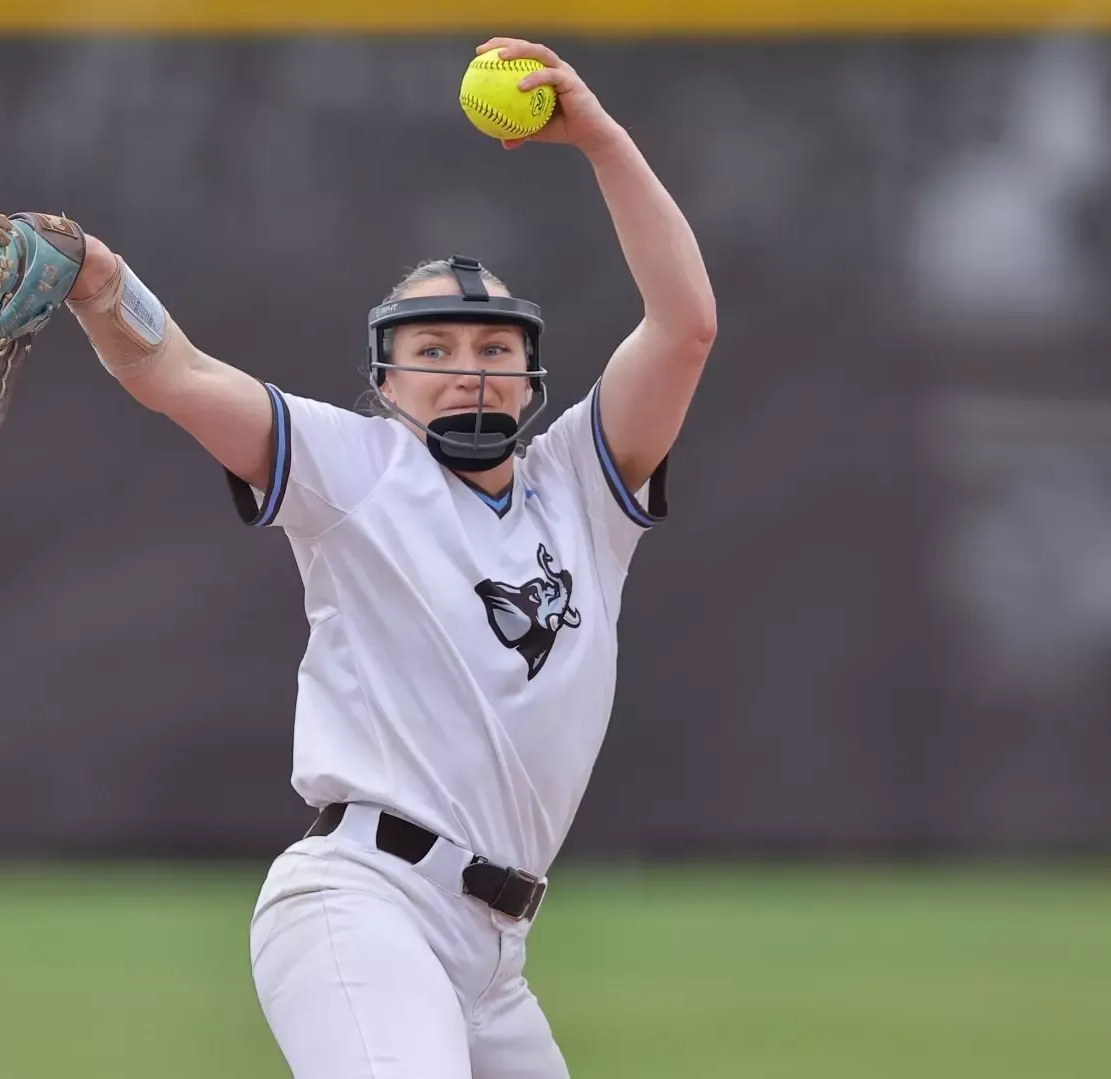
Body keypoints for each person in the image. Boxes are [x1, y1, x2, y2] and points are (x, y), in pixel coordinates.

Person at [66, 36, 715, 1079]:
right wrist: (103, 282)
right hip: (363, 906)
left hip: (495, 959)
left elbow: (684, 328)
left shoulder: (584, 493)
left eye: (494, 348)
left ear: (531, 374)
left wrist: (597, 137)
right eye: (436, 350)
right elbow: (171, 367)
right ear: (388, 379)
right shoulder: (354, 467)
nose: (469, 370)